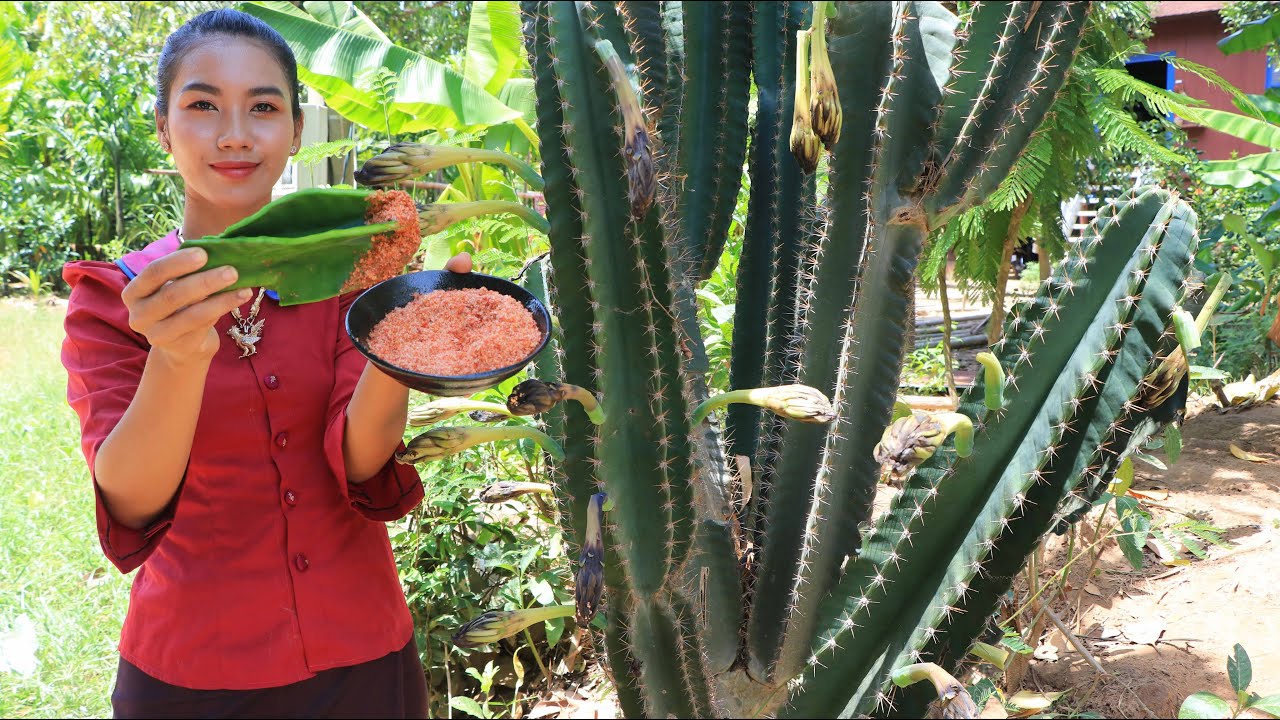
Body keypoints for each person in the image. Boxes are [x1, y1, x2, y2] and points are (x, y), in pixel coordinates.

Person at [59, 9, 468, 718]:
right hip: (191, 675)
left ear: (296, 129)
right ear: (163, 126)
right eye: (202, 105)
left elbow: (362, 463)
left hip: (363, 659)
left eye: (264, 107)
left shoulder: (351, 272)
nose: (235, 133)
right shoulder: (118, 299)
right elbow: (130, 498)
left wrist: (399, 346)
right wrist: (177, 358)